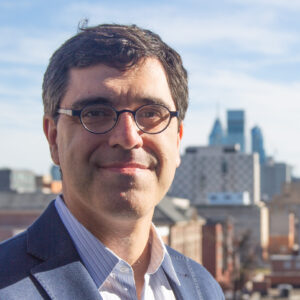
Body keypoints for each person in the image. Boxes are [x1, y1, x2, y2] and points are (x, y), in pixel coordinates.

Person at [0, 24, 224, 299]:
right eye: (95, 112)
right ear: (54, 137)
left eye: (152, 113)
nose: (128, 137)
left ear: (177, 139)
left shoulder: (203, 287)